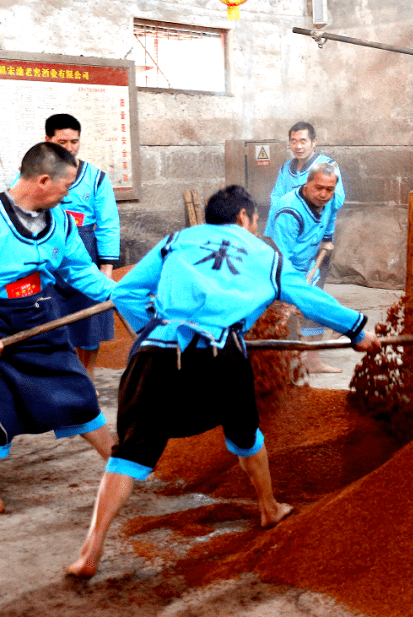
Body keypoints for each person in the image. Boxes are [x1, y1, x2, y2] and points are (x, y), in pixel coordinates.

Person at [66, 185, 380, 579]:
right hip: (221, 354)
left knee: (128, 453)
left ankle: (91, 549)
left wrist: (149, 328)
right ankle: (269, 508)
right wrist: (356, 329)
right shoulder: (266, 255)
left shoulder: (174, 241)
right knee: (245, 435)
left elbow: (125, 291)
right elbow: (307, 298)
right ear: (245, 219)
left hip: (157, 351)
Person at [0, 142, 117, 514]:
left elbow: (80, 271)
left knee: (77, 389)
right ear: (43, 180)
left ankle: (117, 461)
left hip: (39, 314)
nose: (69, 194)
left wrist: (125, 294)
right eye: (66, 187)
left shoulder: (62, 221)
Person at [45, 113, 120, 379]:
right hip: (48, 256)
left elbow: (108, 224)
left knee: (90, 323)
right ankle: (61, 380)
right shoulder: (34, 175)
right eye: (62, 141)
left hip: (86, 253)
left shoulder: (96, 178)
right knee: (48, 321)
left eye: (74, 141)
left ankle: (86, 379)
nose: (69, 147)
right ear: (48, 140)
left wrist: (106, 269)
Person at [269, 163, 343, 373]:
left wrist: (327, 238)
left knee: (312, 315)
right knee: (280, 318)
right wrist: (297, 286)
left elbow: (331, 217)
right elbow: (282, 257)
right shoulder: (289, 211)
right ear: (307, 182)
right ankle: (272, 367)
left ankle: (312, 361)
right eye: (318, 187)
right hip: (284, 269)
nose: (323, 194)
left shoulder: (328, 200)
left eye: (329, 189)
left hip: (311, 262)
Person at [264, 122, 345, 286]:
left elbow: (337, 199)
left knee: (312, 289)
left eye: (303, 141)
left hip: (314, 237)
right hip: (287, 230)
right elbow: (276, 198)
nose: (298, 146)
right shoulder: (286, 168)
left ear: (314, 142)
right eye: (293, 141)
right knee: (281, 280)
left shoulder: (327, 166)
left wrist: (316, 192)